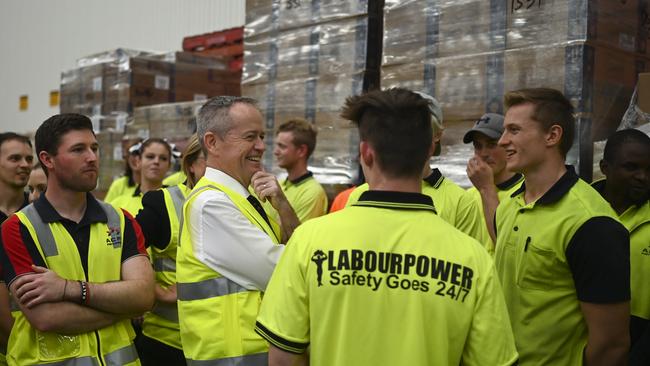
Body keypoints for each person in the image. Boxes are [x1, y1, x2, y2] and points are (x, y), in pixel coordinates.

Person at [255, 88, 518, 366]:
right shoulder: (473, 260)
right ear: (429, 148)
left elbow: (284, 358)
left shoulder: (309, 241)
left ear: (366, 153)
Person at [0, 113, 154, 365]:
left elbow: (144, 297)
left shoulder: (120, 220)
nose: (92, 157)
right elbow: (47, 317)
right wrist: (122, 307)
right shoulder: (17, 228)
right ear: (47, 159)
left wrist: (69, 289)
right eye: (78, 149)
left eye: (94, 148)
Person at [494, 88, 630, 365]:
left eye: (514, 130)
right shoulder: (509, 205)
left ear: (552, 136)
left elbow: (610, 345)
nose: (502, 141)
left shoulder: (591, 224)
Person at [176, 96, 300, 364]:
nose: (261, 146)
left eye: (262, 136)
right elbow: (282, 271)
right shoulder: (212, 204)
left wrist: (284, 208)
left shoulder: (244, 198)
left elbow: (290, 250)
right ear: (212, 143)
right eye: (250, 137)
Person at [345, 92, 488, 244]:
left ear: (437, 135)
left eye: (421, 128)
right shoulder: (359, 195)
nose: (410, 135)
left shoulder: (460, 202)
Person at [135, 133, 206, 366]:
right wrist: (149, 290)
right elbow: (119, 252)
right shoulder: (165, 203)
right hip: (168, 341)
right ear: (191, 165)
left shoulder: (243, 203)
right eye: (211, 162)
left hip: (221, 341)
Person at [591, 128, 650, 365]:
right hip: (582, 343)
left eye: (649, 169)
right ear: (605, 168)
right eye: (632, 167)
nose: (643, 177)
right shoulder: (578, 212)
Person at [464, 113, 524, 253]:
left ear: (508, 145)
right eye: (478, 146)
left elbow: (509, 249)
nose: (483, 153)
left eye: (492, 144)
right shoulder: (468, 197)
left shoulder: (527, 193)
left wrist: (486, 188)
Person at [0, 132, 33, 365]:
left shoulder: (39, 213)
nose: (24, 165)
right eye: (15, 158)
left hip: (36, 339)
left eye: (29, 159)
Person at [267, 118, 327, 223]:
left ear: (301, 151)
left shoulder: (312, 193)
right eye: (276, 145)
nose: (275, 151)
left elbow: (296, 236)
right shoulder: (280, 185)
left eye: (282, 146)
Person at [112, 138, 172, 215]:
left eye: (163, 158)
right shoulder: (118, 205)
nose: (156, 161)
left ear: (169, 165)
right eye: (150, 157)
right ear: (138, 161)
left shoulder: (179, 202)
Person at [104, 139, 142, 203]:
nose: (137, 159)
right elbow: (106, 211)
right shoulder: (118, 185)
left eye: (140, 154)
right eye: (133, 154)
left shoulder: (157, 185)